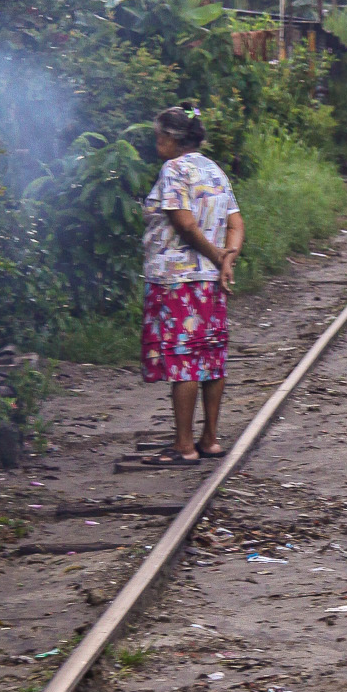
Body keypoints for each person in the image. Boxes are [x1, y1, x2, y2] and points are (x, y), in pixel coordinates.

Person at [140, 105, 245, 463]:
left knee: (183, 358)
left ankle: (184, 445)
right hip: (210, 283)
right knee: (212, 357)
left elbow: (184, 223)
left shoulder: (173, 170)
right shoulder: (212, 169)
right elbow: (236, 222)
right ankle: (210, 439)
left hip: (177, 280)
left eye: (159, 137)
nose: (157, 143)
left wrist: (218, 257)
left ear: (172, 139)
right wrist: (227, 258)